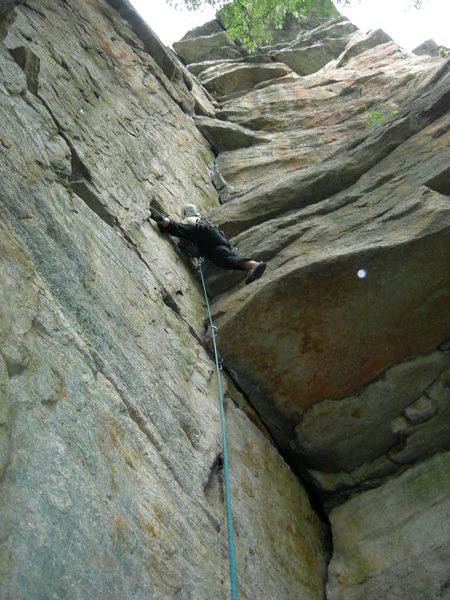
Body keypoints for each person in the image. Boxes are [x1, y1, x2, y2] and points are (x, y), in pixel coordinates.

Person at [150, 203, 266, 285]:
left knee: (178, 229)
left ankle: (164, 220)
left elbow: (185, 232)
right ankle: (253, 265)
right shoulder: (204, 220)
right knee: (228, 260)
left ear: (186, 213)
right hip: (218, 241)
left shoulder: (190, 220)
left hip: (206, 237)